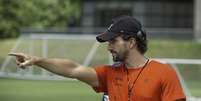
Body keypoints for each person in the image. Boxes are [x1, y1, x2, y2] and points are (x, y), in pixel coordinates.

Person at [9, 15, 186, 101]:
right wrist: (37, 60)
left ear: (131, 42)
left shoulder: (164, 73)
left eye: (113, 41)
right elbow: (73, 69)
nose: (108, 47)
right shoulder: (109, 73)